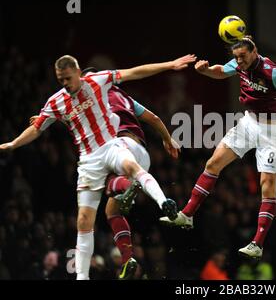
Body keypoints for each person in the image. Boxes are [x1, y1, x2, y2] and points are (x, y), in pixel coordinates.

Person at [0, 53, 196, 280]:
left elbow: (135, 71)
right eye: (60, 80)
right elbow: (44, 125)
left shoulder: (99, 83)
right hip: (97, 158)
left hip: (116, 144)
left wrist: (170, 64)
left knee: (125, 174)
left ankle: (161, 202)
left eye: (68, 78)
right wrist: (15, 142)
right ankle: (95, 271)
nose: (64, 83)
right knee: (87, 219)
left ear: (79, 73)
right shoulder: (59, 101)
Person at [160, 36, 276, 259]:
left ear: (254, 52)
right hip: (249, 123)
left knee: (267, 186)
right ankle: (188, 214)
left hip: (272, 131)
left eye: (243, 57)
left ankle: (257, 244)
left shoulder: (274, 72)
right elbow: (222, 71)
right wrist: (206, 70)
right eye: (236, 57)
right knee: (213, 163)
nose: (239, 61)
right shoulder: (238, 64)